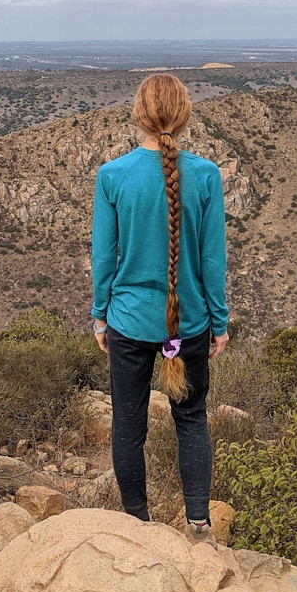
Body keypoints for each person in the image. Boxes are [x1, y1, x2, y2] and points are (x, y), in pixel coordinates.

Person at [90, 73, 230, 541]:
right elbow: (212, 260)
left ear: (139, 115)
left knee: (128, 424)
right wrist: (219, 322)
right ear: (185, 115)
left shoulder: (113, 176)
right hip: (187, 324)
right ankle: (197, 523)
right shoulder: (206, 175)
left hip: (129, 321)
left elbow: (104, 256)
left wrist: (100, 313)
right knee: (191, 419)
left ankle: (137, 525)